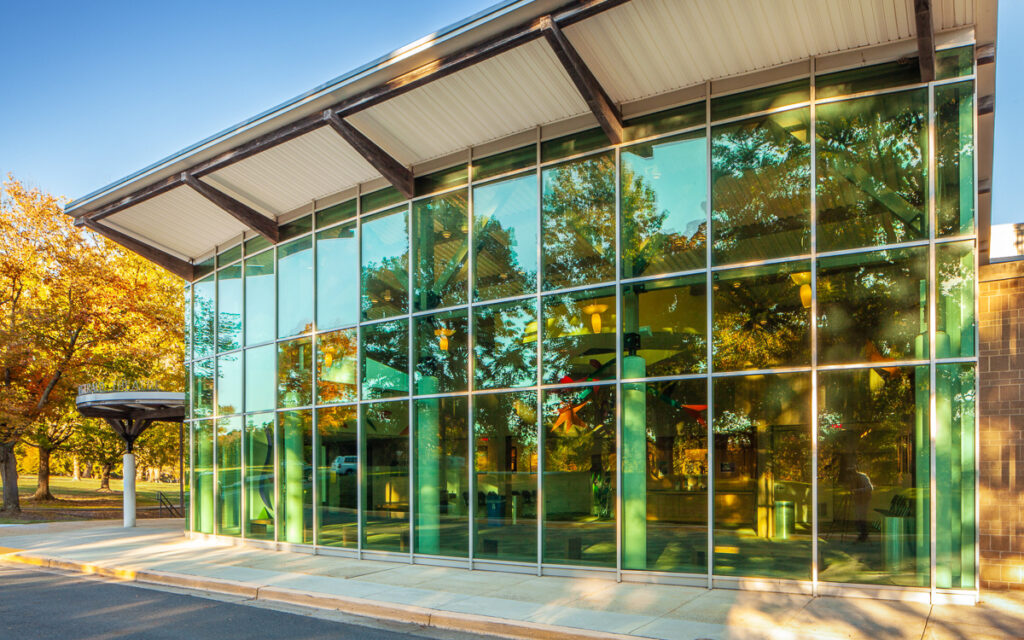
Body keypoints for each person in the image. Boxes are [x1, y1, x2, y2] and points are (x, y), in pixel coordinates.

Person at [842, 464, 874, 542]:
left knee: (861, 517)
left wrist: (858, 491)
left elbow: (870, 488)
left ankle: (864, 534)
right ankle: (862, 534)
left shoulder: (863, 477)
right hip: (858, 500)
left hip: (864, 499)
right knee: (857, 517)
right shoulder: (852, 479)